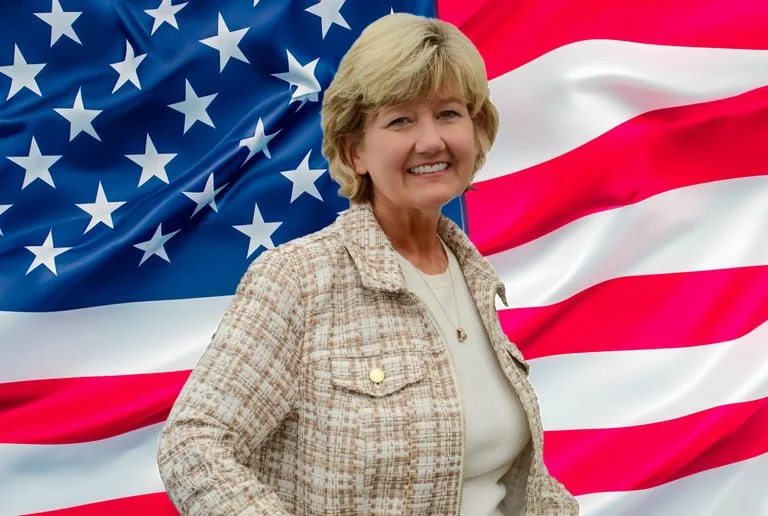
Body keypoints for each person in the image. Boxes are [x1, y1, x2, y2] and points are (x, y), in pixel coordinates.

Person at [157, 12, 579, 515]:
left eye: (448, 113)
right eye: (401, 119)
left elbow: (506, 482)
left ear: (476, 128)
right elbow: (193, 445)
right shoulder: (301, 279)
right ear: (354, 150)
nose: (431, 141)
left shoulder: (473, 277)